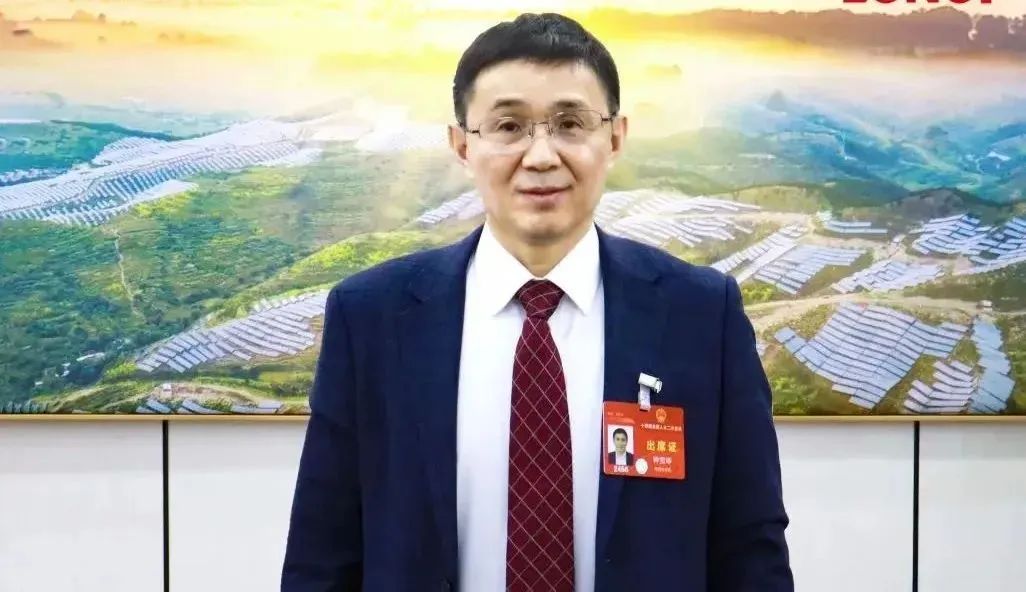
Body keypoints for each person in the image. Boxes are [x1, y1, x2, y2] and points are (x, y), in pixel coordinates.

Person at [281, 12, 792, 592]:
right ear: (461, 145)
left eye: (571, 124)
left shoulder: (701, 316)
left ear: (615, 137)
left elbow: (750, 549)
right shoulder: (372, 318)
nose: (542, 155)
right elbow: (322, 555)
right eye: (509, 126)